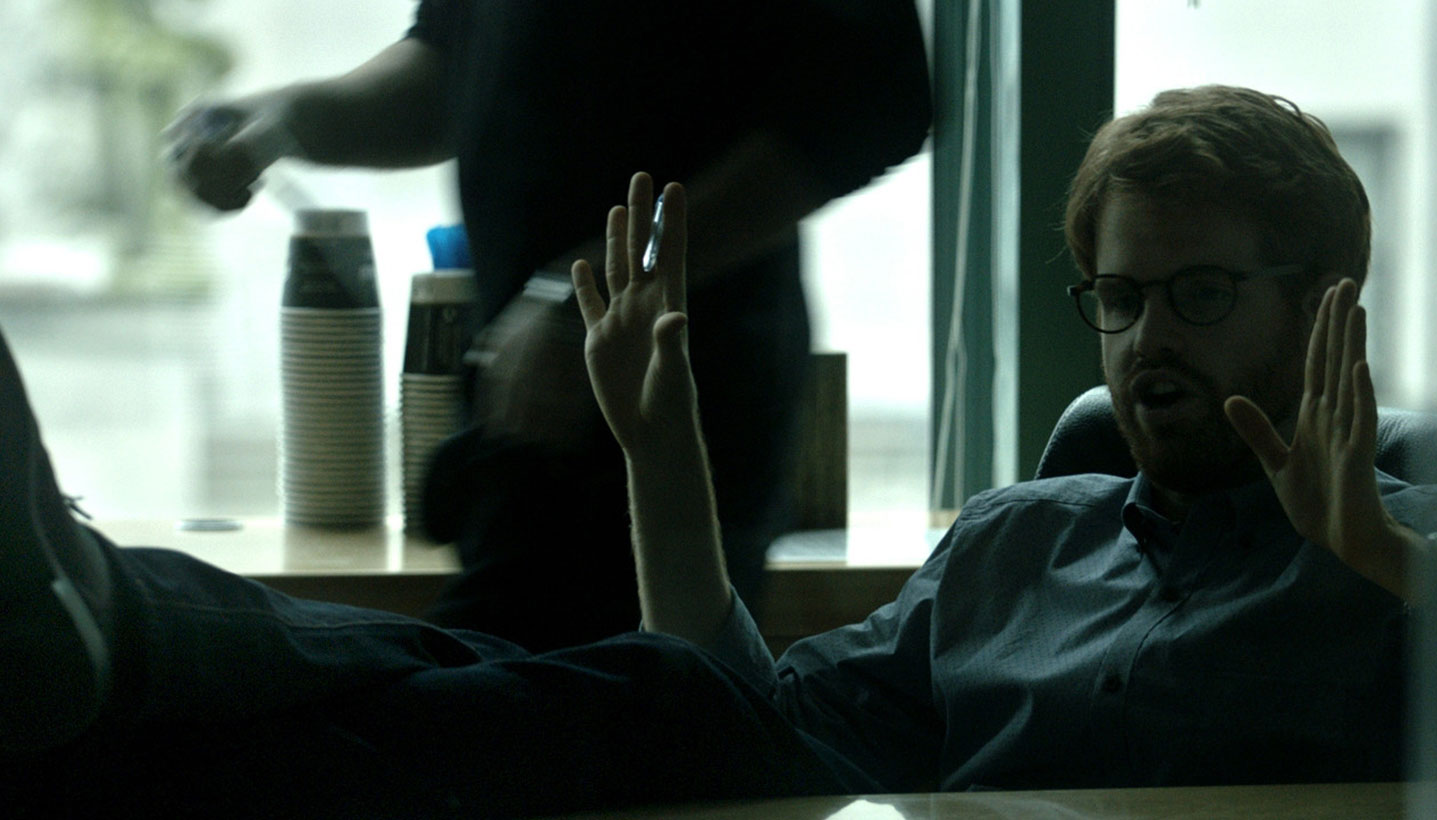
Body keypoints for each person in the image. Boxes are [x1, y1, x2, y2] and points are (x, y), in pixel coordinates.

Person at [7, 85, 1437, 817]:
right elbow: (740, 723)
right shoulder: (1022, 538)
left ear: (1324, 302)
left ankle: (119, 640)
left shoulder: (1434, 550)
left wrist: (1398, 564)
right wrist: (659, 454)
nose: (1145, 342)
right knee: (606, 696)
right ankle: (109, 661)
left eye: (1197, 294)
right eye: (1115, 301)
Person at [164, 0, 933, 651]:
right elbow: (454, 67)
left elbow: (873, 103)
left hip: (672, 435)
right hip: (526, 440)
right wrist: (284, 118)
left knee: (605, 744)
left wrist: (596, 291)